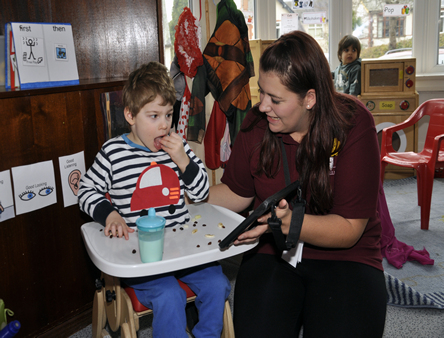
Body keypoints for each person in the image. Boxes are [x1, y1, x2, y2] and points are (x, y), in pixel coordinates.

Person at [207, 31, 387, 337]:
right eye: (261, 92)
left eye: (275, 99)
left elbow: (349, 229)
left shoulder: (353, 122)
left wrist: (292, 223)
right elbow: (238, 193)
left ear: (310, 99)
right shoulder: (255, 124)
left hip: (347, 257)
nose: (263, 106)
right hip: (273, 253)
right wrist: (177, 195)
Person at [78, 62, 231, 338]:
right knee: (169, 295)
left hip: (184, 249)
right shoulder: (113, 152)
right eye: (153, 116)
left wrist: (184, 160)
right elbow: (86, 190)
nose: (164, 124)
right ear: (130, 115)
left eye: (168, 114)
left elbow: (200, 194)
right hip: (144, 254)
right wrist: (109, 214)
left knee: (218, 284)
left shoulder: (178, 146)